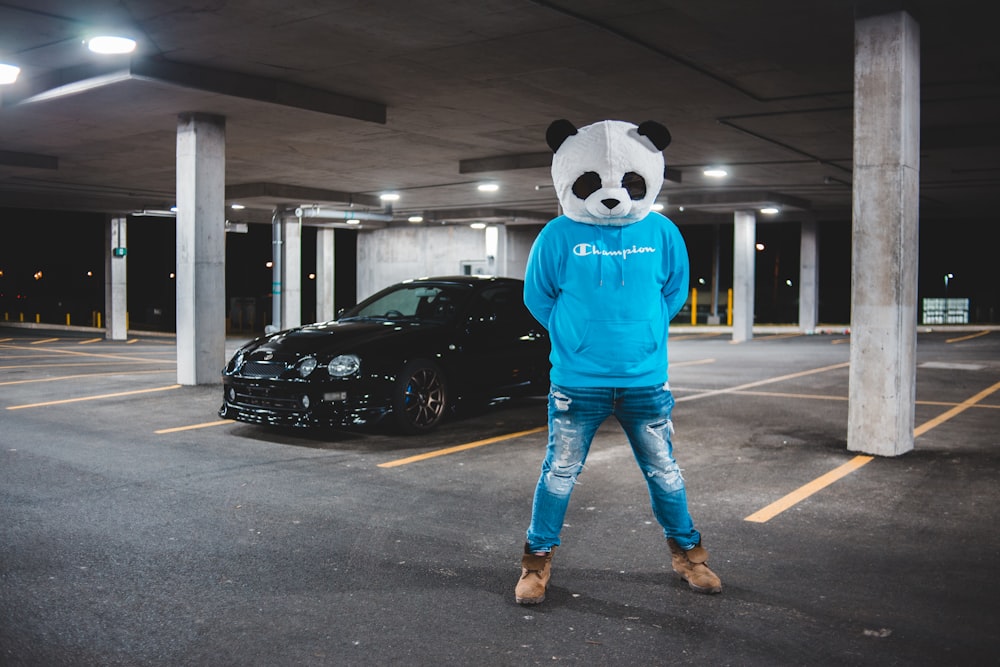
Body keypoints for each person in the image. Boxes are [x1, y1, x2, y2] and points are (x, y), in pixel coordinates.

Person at [515, 119, 722, 605]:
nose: (613, 194)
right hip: (577, 383)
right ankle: (535, 565)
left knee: (665, 472)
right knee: (558, 475)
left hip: (645, 383)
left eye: (628, 182)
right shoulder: (557, 234)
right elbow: (537, 298)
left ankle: (690, 557)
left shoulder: (663, 231)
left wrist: (643, 333)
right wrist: (579, 338)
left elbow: (673, 292)